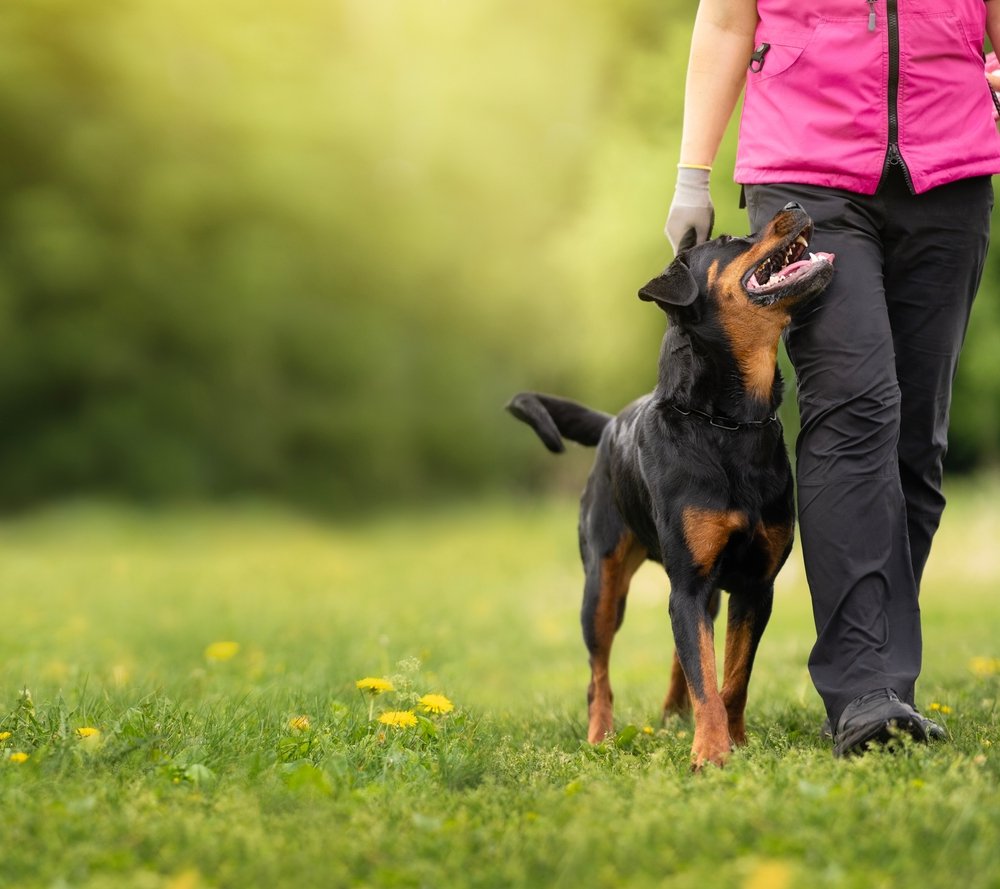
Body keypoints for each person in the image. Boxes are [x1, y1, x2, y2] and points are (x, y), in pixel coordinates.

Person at [667, 0, 1000, 756]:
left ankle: (885, 675)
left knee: (916, 437)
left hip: (950, 171)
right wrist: (692, 172)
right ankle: (863, 690)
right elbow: (724, 21)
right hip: (806, 173)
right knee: (855, 406)